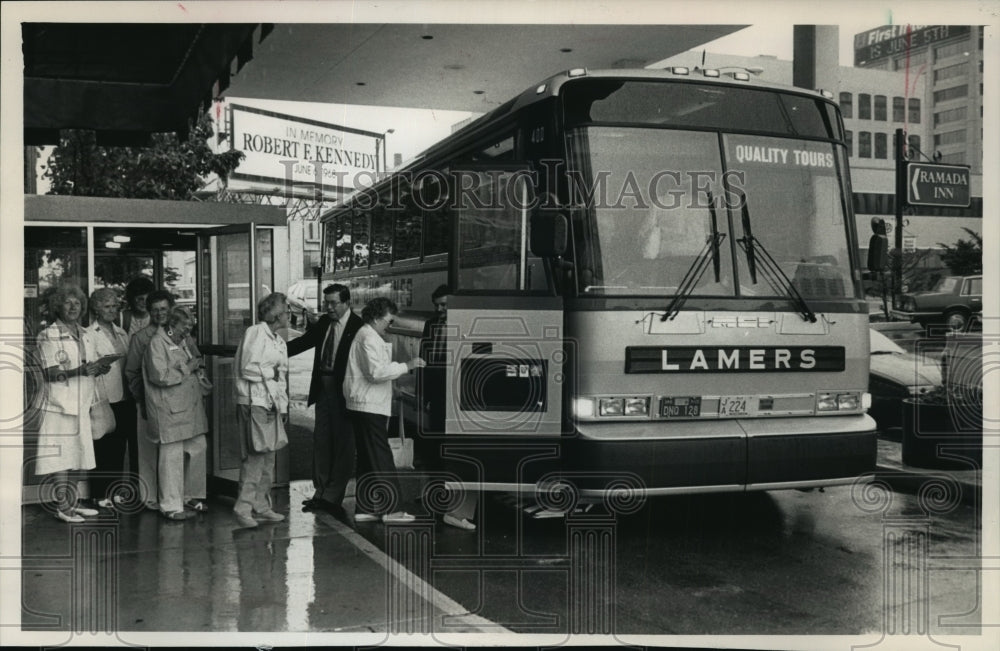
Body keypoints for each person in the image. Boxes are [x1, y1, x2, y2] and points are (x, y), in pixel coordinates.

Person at [34, 283, 111, 522]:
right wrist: (81, 370)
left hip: (81, 402)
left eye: (77, 303)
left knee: (79, 453)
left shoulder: (85, 334)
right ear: (59, 306)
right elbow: (49, 372)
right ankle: (62, 507)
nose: (73, 307)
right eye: (68, 302)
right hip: (58, 405)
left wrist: (98, 368)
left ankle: (73, 503)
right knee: (61, 458)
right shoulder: (49, 335)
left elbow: (86, 367)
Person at [344, 297, 425, 523]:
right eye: (388, 321)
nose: (389, 325)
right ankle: (392, 509)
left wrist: (393, 388)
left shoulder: (366, 335)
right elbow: (376, 372)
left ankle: (366, 507)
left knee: (368, 459)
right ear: (378, 318)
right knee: (381, 457)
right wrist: (407, 366)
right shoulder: (368, 337)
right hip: (369, 406)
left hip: (364, 404)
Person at [287, 284, 363, 519]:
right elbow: (302, 343)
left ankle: (333, 496)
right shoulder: (323, 323)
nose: (328, 307)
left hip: (345, 392)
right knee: (321, 440)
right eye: (326, 303)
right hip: (323, 387)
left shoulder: (358, 328)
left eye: (333, 303)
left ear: (346, 302)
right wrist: (272, 351)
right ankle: (320, 493)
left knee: (343, 444)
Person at [417, 284, 478, 530]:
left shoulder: (464, 325)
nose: (440, 310)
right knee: (435, 444)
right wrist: (423, 394)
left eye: (444, 305)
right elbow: (424, 357)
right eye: (437, 305)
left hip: (458, 393)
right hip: (436, 391)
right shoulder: (431, 325)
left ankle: (451, 500)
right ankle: (437, 494)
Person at [142, 306, 209, 520]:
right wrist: (188, 368)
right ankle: (170, 505)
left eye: (190, 328)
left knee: (198, 448)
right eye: (184, 328)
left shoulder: (181, 342)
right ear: (171, 326)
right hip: (169, 411)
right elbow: (160, 376)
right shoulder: (157, 344)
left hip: (189, 408)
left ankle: (190, 495)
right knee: (171, 457)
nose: (187, 332)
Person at [232, 293, 291, 528]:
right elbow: (248, 369)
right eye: (287, 310)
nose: (289, 314)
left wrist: (283, 406)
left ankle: (261, 505)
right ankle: (243, 507)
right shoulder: (256, 333)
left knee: (269, 457)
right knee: (255, 457)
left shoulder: (278, 340)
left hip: (270, 404)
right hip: (253, 401)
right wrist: (271, 373)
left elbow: (282, 377)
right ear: (276, 315)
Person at [124, 289, 174, 510]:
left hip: (174, 404)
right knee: (147, 451)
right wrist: (142, 400)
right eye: (155, 310)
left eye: (163, 309)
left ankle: (170, 496)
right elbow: (131, 372)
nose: (160, 313)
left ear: (170, 309)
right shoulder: (140, 338)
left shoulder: (178, 334)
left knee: (171, 453)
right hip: (149, 402)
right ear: (149, 311)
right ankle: (149, 497)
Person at [86, 287, 133, 508]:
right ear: (96, 308)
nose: (112, 310)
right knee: (102, 446)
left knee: (119, 447)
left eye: (115, 306)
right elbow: (87, 366)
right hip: (103, 395)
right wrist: (98, 368)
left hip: (124, 395)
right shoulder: (89, 333)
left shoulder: (121, 332)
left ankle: (114, 490)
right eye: (107, 306)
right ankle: (98, 493)